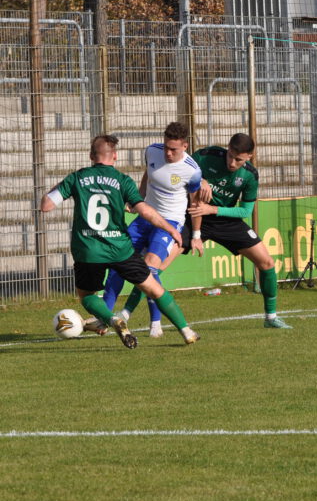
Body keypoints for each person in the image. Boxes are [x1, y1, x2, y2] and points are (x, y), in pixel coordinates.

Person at [39, 135, 200, 347]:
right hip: (120, 249)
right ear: (114, 156)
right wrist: (170, 228)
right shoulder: (122, 180)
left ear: (91, 156)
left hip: (88, 250)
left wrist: (64, 184)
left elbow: (46, 205)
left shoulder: (77, 178)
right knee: (154, 288)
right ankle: (187, 331)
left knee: (86, 295)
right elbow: (144, 210)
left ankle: (112, 319)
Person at [102, 122, 204, 338]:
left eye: (173, 149)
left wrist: (196, 235)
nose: (167, 152)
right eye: (166, 146)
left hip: (170, 222)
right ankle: (104, 317)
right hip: (145, 217)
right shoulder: (151, 151)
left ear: (185, 146)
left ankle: (155, 323)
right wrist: (137, 200)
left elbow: (195, 205)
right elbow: (149, 174)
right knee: (117, 262)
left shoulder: (192, 170)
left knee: (149, 267)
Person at [181, 133, 291, 328]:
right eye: (230, 155)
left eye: (238, 159)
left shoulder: (250, 175)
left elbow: (246, 211)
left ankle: (271, 317)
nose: (232, 162)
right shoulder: (207, 156)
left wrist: (214, 209)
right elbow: (181, 167)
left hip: (226, 221)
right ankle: (131, 313)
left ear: (250, 156)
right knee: (158, 261)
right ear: (227, 148)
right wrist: (200, 179)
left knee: (266, 262)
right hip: (195, 215)